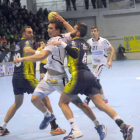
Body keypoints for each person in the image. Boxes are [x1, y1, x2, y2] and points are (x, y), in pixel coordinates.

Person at [14, 14, 107, 140]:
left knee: (78, 103)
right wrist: (63, 21)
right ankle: (48, 116)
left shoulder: (57, 40)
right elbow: (73, 32)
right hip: (48, 77)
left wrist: (23, 58)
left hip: (59, 79)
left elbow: (42, 56)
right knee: (35, 99)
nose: (48, 30)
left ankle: (98, 125)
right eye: (48, 28)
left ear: (57, 30)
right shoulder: (64, 37)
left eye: (51, 28)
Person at [46, 22, 133, 140]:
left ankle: (75, 131)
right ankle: (124, 126)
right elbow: (76, 35)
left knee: (62, 102)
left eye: (74, 29)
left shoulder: (72, 42)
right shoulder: (85, 43)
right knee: (101, 105)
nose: (71, 31)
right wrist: (63, 21)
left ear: (77, 32)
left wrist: (61, 43)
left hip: (78, 76)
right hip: (89, 76)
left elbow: (75, 53)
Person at [0, 26, 64, 136]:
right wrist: (40, 51)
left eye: (32, 32)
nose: (32, 34)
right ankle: (54, 127)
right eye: (29, 32)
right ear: (23, 35)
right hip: (27, 77)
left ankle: (2, 127)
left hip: (16, 78)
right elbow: (27, 50)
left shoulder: (17, 44)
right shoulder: (26, 42)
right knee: (45, 98)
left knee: (17, 103)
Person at [84, 26, 115, 105]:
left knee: (93, 78)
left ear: (98, 32)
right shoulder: (89, 41)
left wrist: (110, 61)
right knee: (96, 81)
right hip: (94, 63)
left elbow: (112, 50)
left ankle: (87, 99)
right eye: (92, 31)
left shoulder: (103, 41)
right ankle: (104, 98)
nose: (93, 33)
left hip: (102, 62)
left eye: (95, 31)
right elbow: (85, 51)